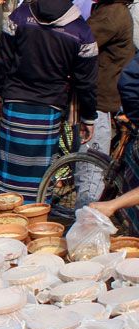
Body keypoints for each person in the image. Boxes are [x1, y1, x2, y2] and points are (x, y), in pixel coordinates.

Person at [0, 0, 98, 203]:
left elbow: (3, 60)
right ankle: (35, 218)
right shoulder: (80, 30)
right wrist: (88, 117)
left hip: (15, 103)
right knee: (40, 174)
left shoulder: (20, 16)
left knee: (9, 171)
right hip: (50, 108)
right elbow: (86, 82)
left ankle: (2, 218)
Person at [76, 0, 135, 207]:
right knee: (88, 164)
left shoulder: (112, 13)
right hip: (102, 97)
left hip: (102, 100)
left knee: (91, 168)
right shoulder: (111, 10)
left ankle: (87, 220)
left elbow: (80, 42)